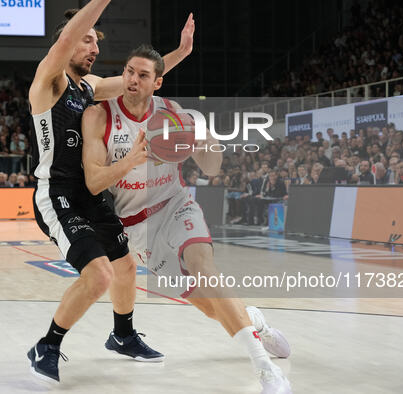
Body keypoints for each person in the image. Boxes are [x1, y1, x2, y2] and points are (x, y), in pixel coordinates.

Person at [82, 45, 292, 394]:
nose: (132, 79)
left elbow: (212, 168)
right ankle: (255, 320)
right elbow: (93, 183)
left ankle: (266, 370)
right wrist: (132, 159)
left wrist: (203, 138)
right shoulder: (100, 117)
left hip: (176, 205)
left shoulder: (173, 114)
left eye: (143, 75)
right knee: (211, 308)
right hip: (136, 228)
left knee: (205, 271)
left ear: (158, 83)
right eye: (129, 71)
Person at [26, 1, 195, 383]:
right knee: (98, 275)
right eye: (87, 40)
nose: (95, 48)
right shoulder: (48, 81)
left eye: (96, 42)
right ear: (66, 45)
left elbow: (141, 78)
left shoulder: (91, 87)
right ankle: (47, 346)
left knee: (125, 266)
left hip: (92, 190)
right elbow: (68, 36)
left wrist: (180, 53)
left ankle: (122, 335)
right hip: (57, 195)